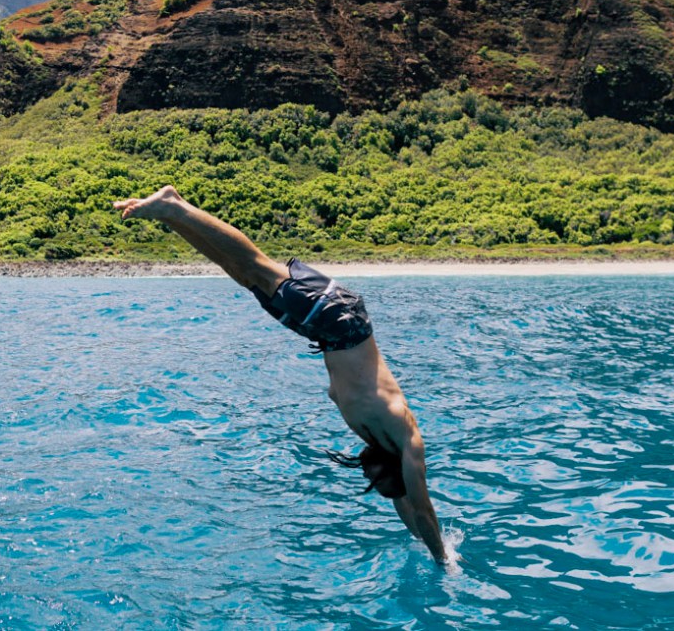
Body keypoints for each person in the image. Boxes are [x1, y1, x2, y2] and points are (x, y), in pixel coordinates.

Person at [112, 185, 446, 562]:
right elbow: (422, 509)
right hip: (340, 321)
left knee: (242, 273)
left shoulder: (378, 430)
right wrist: (444, 561)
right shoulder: (406, 437)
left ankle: (172, 215)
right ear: (387, 468)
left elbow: (409, 508)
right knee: (255, 264)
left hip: (328, 329)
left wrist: (425, 541)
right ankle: (174, 205)